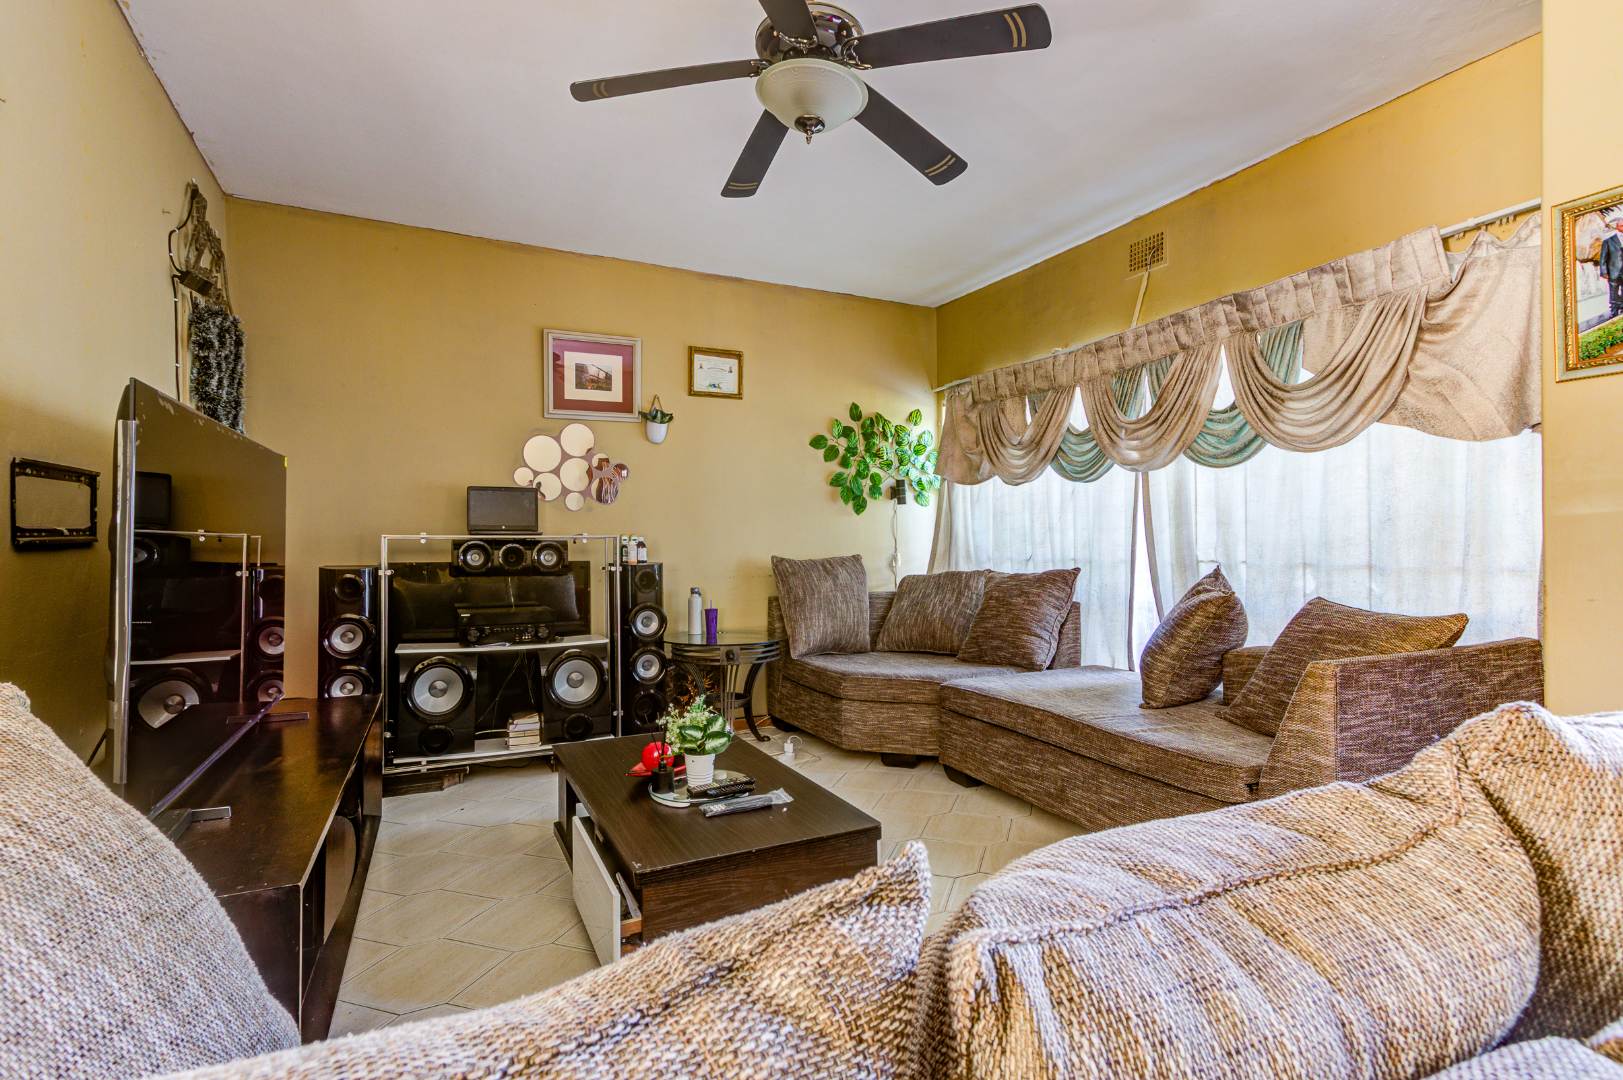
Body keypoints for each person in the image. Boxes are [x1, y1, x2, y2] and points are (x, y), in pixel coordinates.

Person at [1600, 215, 1623, 319]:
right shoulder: (1608, 241)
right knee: (1613, 292)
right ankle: (1614, 312)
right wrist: (1604, 272)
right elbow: (1603, 258)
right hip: (1614, 271)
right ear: (1617, 226)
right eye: (1622, 226)